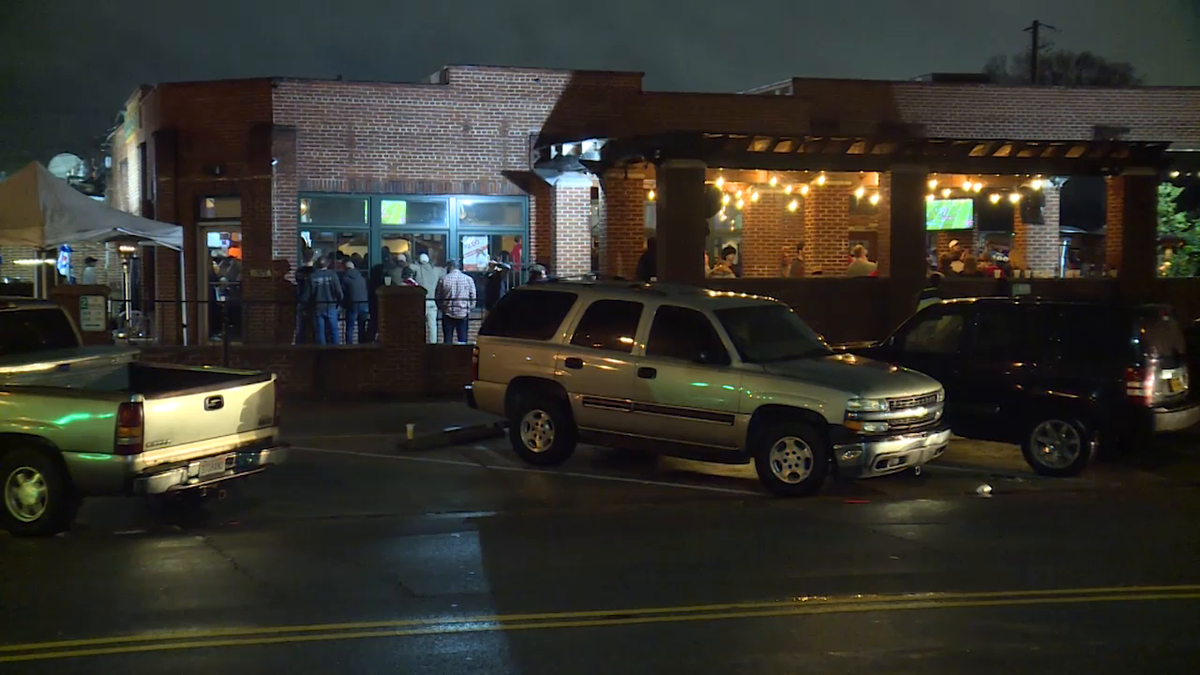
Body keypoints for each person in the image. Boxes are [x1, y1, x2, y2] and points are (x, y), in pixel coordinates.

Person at [303, 256, 343, 345]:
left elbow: (307, 295)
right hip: (331, 305)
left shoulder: (312, 276)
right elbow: (339, 292)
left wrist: (305, 307)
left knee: (319, 331)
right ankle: (337, 352)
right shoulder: (333, 275)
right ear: (327, 264)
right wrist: (339, 304)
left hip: (317, 306)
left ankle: (322, 352)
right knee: (334, 330)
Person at [435, 260, 476, 344]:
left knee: (447, 339)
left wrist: (442, 308)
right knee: (463, 339)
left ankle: (448, 356)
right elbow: (473, 297)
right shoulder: (468, 279)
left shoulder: (444, 279)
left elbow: (438, 296)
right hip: (463, 312)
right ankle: (462, 356)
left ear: (450, 267)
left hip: (448, 311)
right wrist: (469, 309)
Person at [411, 251, 444, 343]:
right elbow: (444, 272)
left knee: (420, 324)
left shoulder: (417, 268)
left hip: (421, 301)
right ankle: (433, 344)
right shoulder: (436, 270)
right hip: (432, 301)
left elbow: (409, 266)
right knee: (432, 325)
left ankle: (420, 342)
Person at [341, 260, 369, 344]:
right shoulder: (362, 278)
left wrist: (343, 304)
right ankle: (362, 344)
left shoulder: (345, 278)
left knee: (350, 326)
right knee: (362, 326)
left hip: (352, 304)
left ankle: (349, 345)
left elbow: (342, 293)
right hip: (364, 302)